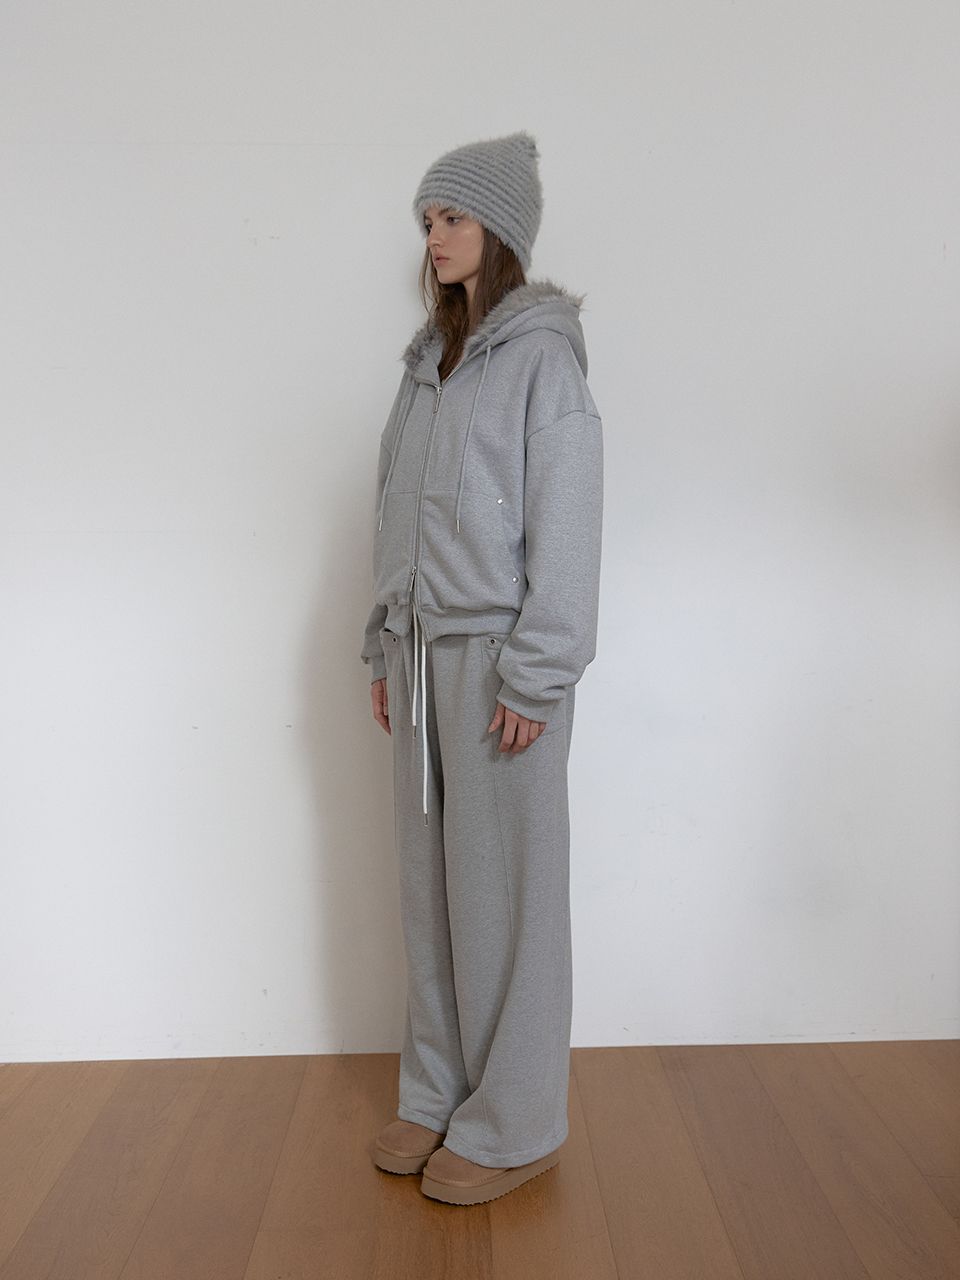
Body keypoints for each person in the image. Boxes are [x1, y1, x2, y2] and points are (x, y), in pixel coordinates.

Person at [360, 130, 604, 1206]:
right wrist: (381, 640)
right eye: (427, 219)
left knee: (506, 904)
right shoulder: (427, 365)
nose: (435, 235)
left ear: (499, 227)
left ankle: (515, 1123)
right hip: (418, 659)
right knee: (431, 898)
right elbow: (390, 510)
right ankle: (437, 1093)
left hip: (501, 665)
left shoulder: (545, 361)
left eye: (452, 216)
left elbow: (570, 526)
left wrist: (537, 674)